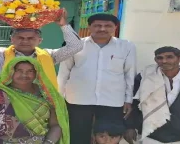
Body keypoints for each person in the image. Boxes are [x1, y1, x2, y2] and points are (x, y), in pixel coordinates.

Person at [57, 13, 136, 144]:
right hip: (77, 100)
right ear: (89, 27)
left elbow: (129, 74)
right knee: (77, 136)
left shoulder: (126, 46)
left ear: (115, 27)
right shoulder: (75, 46)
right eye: (97, 25)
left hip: (112, 101)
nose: (102, 29)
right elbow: (64, 73)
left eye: (107, 26)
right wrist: (59, 98)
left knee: (108, 138)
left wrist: (128, 99)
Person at [0, 9, 83, 88]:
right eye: (20, 37)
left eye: (30, 38)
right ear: (12, 39)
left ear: (39, 41)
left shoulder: (49, 56)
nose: (25, 41)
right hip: (4, 102)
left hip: (38, 105)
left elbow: (75, 46)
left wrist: (63, 25)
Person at [0, 56, 69, 144]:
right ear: (10, 72)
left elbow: (56, 125)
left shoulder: (47, 95)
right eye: (19, 70)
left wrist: (48, 142)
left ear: (37, 73)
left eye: (30, 71)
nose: (24, 75)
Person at [125, 46, 180, 144]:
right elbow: (135, 103)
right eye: (160, 58)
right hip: (153, 136)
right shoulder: (145, 78)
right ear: (155, 60)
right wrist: (130, 126)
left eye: (169, 57)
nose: (164, 61)